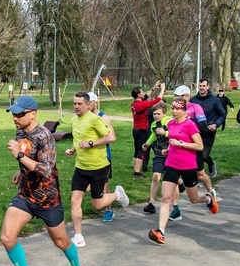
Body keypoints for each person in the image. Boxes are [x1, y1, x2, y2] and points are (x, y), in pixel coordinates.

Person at [1, 95, 86, 266]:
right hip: (25, 195)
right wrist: (20, 171)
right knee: (7, 237)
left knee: (60, 241)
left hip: (47, 199)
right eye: (14, 114)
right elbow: (30, 158)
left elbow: (46, 170)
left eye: (20, 114)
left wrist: (19, 158)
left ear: (33, 114)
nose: (15, 118)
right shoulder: (21, 130)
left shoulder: (45, 136)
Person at [148, 99, 220, 245]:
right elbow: (172, 141)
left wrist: (181, 143)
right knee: (166, 197)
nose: (174, 111)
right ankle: (161, 232)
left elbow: (199, 146)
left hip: (188, 165)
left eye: (177, 109)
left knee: (193, 199)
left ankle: (207, 199)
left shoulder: (190, 125)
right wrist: (168, 149)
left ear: (184, 110)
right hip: (172, 164)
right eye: (173, 108)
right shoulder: (170, 124)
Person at [65, 92, 128, 247]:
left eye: (79, 104)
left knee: (97, 205)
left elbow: (111, 138)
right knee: (75, 200)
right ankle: (78, 236)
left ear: (88, 104)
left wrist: (91, 143)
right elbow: (78, 138)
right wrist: (72, 149)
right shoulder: (74, 120)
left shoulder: (95, 120)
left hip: (98, 167)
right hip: (80, 167)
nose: (76, 107)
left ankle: (117, 194)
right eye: (74, 103)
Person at [169, 85, 215, 221]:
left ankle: (210, 192)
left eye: (182, 96)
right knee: (173, 180)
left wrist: (188, 120)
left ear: (188, 96)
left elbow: (203, 126)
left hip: (193, 147)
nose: (178, 98)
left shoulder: (196, 108)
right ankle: (175, 208)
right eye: (176, 96)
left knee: (201, 174)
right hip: (177, 153)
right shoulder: (174, 112)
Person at [87, 92, 119, 222]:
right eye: (86, 102)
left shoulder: (103, 118)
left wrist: (93, 143)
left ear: (96, 102)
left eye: (90, 102)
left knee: (104, 185)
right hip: (88, 157)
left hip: (103, 157)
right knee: (86, 186)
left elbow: (112, 138)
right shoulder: (85, 118)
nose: (88, 105)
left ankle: (109, 210)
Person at [190, 78, 226, 178]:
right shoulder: (193, 100)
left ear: (208, 87)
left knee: (204, 155)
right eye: (200, 86)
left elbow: (222, 114)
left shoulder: (215, 100)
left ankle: (210, 163)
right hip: (195, 132)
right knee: (196, 155)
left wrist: (215, 124)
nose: (201, 88)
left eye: (203, 86)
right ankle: (199, 176)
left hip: (209, 131)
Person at [130, 82, 165, 178]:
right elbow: (157, 100)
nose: (143, 93)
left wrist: (154, 88)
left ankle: (135, 169)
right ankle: (137, 173)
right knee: (141, 151)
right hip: (142, 130)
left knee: (136, 150)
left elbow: (146, 96)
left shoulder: (134, 104)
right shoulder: (141, 105)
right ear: (138, 94)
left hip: (135, 129)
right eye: (141, 92)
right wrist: (162, 89)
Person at [141, 102, 171, 214]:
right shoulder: (154, 125)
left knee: (171, 178)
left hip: (171, 154)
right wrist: (147, 144)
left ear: (164, 113)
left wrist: (165, 133)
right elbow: (153, 136)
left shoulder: (169, 122)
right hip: (159, 153)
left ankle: (181, 183)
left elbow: (177, 134)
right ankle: (151, 203)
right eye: (154, 114)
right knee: (155, 176)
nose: (156, 116)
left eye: (158, 114)